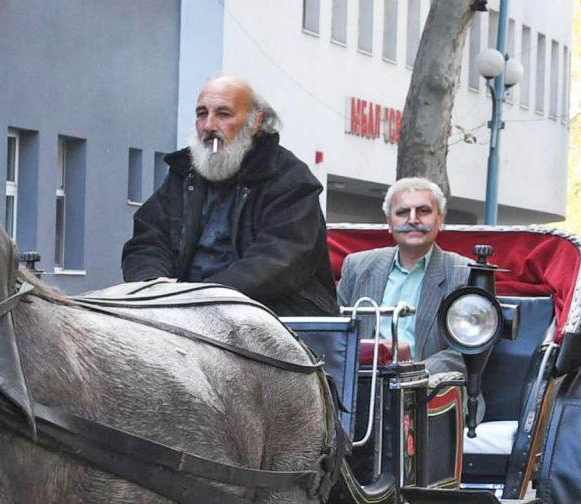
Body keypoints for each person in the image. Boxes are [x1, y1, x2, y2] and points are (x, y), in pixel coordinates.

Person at [122, 75, 337, 316]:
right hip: (184, 314)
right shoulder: (184, 175)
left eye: (223, 114)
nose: (209, 126)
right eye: (202, 113)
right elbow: (147, 241)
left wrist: (197, 298)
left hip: (274, 319)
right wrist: (153, 286)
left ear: (255, 121)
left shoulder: (291, 180)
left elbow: (277, 263)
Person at [335, 178, 473, 380]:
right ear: (389, 222)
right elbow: (336, 334)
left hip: (433, 394)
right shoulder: (356, 266)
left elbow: (468, 353)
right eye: (402, 212)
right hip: (360, 386)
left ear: (440, 219)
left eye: (424, 211)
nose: (413, 219)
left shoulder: (465, 274)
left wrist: (411, 376)